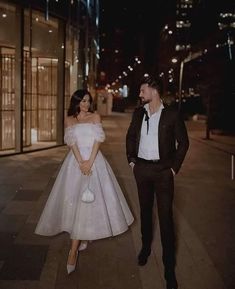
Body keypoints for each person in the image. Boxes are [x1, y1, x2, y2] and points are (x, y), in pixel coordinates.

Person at [35, 89, 134, 274]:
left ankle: (73, 251)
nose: (86, 105)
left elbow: (98, 141)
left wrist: (90, 163)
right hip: (76, 163)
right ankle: (80, 240)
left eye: (88, 101)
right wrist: (81, 162)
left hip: (95, 161)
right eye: (82, 101)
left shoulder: (95, 117)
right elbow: (71, 143)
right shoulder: (70, 119)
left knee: (89, 202)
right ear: (76, 102)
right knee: (77, 202)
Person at [126, 76, 189, 289]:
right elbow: (130, 138)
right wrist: (132, 161)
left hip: (163, 171)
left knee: (165, 218)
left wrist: (173, 168)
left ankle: (169, 267)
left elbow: (183, 143)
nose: (140, 94)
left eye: (143, 90)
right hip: (142, 169)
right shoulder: (138, 113)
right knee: (145, 211)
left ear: (154, 91)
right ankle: (145, 247)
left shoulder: (171, 114)